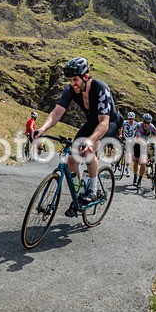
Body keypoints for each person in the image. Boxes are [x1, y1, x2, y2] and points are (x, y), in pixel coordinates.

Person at [34, 57, 122, 216]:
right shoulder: (70, 90)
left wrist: (90, 140)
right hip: (91, 123)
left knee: (89, 150)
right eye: (70, 80)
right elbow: (56, 113)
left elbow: (103, 123)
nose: (72, 83)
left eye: (75, 79)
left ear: (86, 77)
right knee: (71, 159)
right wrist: (42, 129)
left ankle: (93, 190)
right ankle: (80, 192)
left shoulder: (100, 88)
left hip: (110, 124)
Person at [134, 113, 156, 186]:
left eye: (148, 123)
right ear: (143, 121)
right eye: (145, 122)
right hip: (138, 144)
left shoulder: (151, 127)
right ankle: (135, 177)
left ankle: (139, 180)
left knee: (143, 162)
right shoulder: (139, 125)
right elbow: (138, 136)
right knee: (136, 160)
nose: (146, 124)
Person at [118, 111, 142, 180]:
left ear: (134, 119)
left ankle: (127, 167)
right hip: (125, 138)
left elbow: (138, 131)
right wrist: (120, 134)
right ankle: (119, 163)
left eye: (132, 119)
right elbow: (121, 127)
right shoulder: (125, 122)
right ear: (128, 119)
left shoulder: (136, 124)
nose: (131, 120)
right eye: (129, 119)